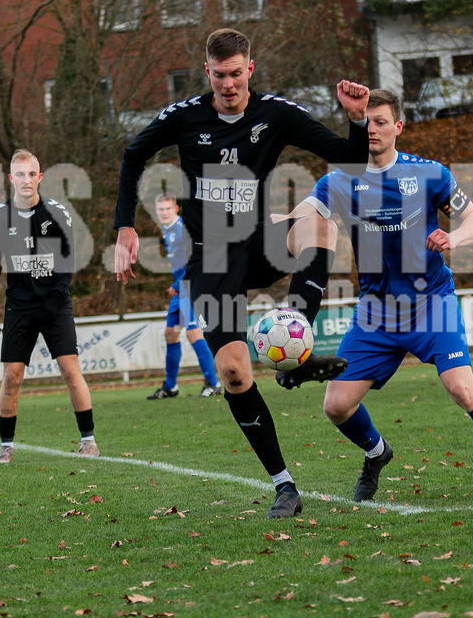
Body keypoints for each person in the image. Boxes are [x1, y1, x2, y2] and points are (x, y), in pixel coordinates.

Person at [113, 27, 370, 519]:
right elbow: (133, 154)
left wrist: (357, 119)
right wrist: (125, 225)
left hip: (255, 241)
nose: (228, 84)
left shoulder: (275, 113)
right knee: (233, 372)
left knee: (317, 223)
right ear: (206, 72)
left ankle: (296, 337)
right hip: (209, 257)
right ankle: (285, 487)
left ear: (249, 69)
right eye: (219, 75)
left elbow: (351, 161)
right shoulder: (185, 116)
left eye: (236, 74)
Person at [282, 88, 473, 502]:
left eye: (381, 121)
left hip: (431, 304)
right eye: (366, 121)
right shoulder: (338, 179)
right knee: (336, 406)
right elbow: (301, 216)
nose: (372, 129)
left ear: (398, 127)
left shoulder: (429, 173)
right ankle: (377, 452)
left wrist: (454, 237)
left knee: (461, 387)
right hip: (375, 312)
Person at [0, 149, 97, 464]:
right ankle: (6, 446)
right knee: (12, 376)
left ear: (40, 178)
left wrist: (59, 291)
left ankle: (88, 440)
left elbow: (68, 258)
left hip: (55, 304)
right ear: (11, 179)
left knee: (70, 370)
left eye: (31, 174)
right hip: (19, 307)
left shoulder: (58, 212)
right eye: (20, 174)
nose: (26, 180)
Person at [146, 193, 222, 399]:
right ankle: (170, 386)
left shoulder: (183, 229)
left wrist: (178, 283)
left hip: (191, 285)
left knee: (193, 333)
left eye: (168, 209)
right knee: (171, 333)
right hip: (182, 289)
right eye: (160, 209)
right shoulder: (167, 229)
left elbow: (198, 260)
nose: (164, 212)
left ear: (176, 209)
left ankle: (213, 383)